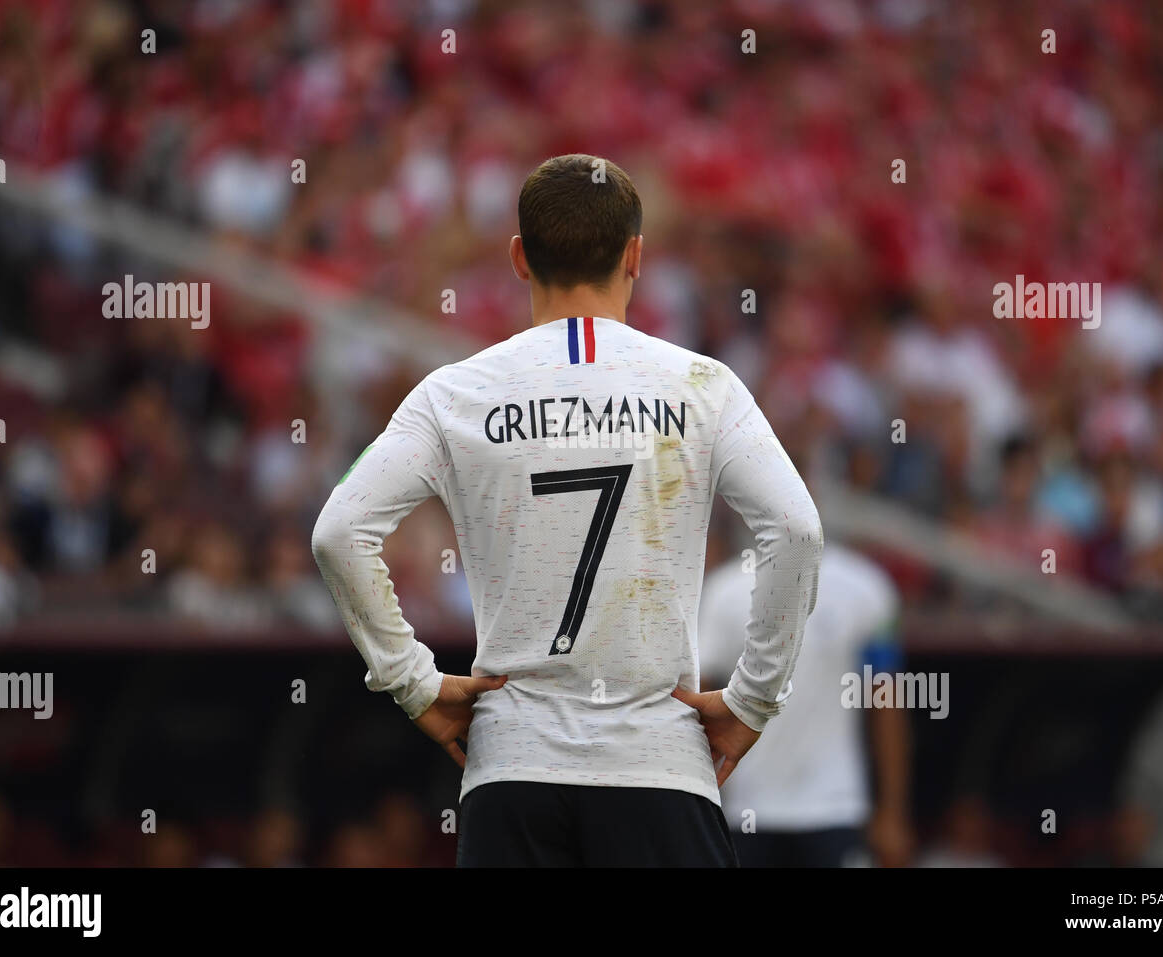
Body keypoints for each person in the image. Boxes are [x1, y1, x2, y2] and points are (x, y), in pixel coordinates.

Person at [312, 154, 822, 867]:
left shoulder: (454, 392)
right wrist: (751, 701)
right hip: (659, 767)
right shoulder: (705, 385)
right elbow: (796, 531)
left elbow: (339, 532)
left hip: (512, 772)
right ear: (636, 256)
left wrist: (413, 682)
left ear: (519, 258)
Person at [699, 542, 912, 867]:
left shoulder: (865, 587)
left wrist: (893, 812)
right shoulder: (725, 591)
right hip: (748, 809)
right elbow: (700, 707)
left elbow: (887, 704)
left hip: (835, 806)